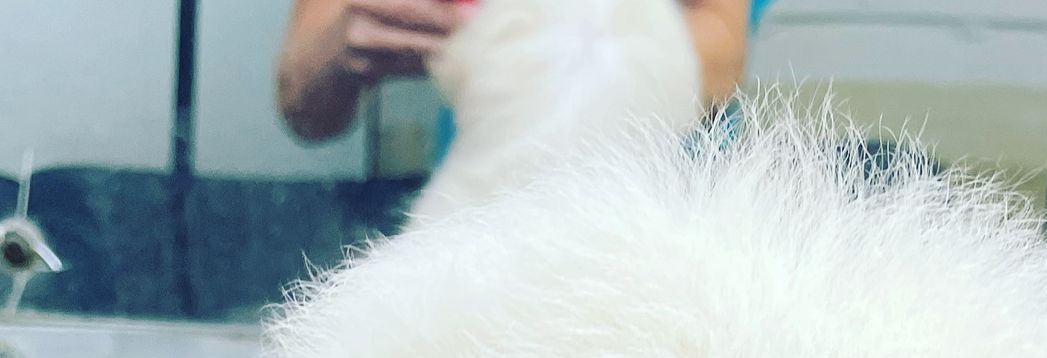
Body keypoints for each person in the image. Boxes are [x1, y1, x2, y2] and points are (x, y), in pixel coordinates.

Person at [276, 0, 760, 147]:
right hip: (482, 209)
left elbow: (721, 52)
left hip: (666, 193)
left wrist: (545, 33)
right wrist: (345, 42)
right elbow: (300, 100)